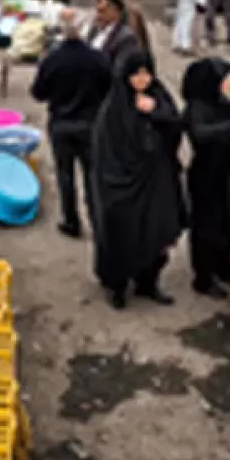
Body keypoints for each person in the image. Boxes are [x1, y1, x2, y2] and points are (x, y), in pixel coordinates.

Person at [91, 52, 185, 310]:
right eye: (136, 74)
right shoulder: (112, 110)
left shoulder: (158, 96)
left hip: (156, 182)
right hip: (122, 186)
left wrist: (156, 111)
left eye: (147, 73)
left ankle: (148, 283)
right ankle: (117, 287)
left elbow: (176, 126)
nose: (142, 80)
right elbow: (105, 155)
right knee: (122, 237)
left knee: (157, 234)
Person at [31, 8, 112, 238]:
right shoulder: (97, 58)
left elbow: (38, 92)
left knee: (65, 175)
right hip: (90, 124)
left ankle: (71, 221)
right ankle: (98, 221)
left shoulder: (53, 60)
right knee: (93, 176)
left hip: (61, 123)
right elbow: (109, 87)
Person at [182, 57, 230, 298]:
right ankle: (203, 277)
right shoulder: (196, 108)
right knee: (206, 228)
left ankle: (223, 264)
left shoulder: (221, 102)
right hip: (207, 178)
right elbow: (200, 135)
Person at [86, 0, 140, 70]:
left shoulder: (126, 37)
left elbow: (119, 69)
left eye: (102, 11)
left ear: (116, 12)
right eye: (97, 11)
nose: (98, 16)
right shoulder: (94, 30)